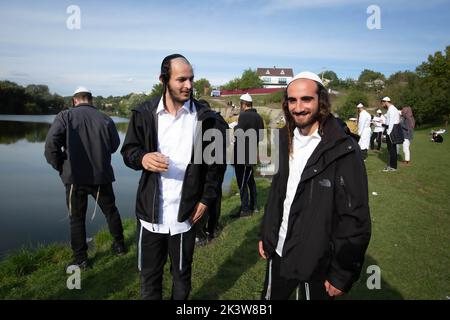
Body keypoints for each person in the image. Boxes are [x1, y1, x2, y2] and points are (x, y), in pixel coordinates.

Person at [259, 71, 371, 300]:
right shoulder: (284, 138)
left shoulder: (343, 148)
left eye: (306, 99)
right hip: (279, 249)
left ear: (321, 100)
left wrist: (343, 272)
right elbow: (278, 194)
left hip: (317, 258)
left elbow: (354, 215)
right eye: (292, 100)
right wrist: (266, 232)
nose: (298, 107)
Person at [120, 54, 224, 300]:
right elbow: (128, 152)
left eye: (191, 79)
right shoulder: (144, 112)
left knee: (181, 276)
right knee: (149, 279)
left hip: (185, 215)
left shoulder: (206, 119)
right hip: (150, 215)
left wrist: (207, 200)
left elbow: (216, 166)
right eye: (181, 80)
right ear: (163, 80)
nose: (188, 85)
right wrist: (142, 158)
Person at [44, 87, 126, 270]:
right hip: (102, 175)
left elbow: (51, 146)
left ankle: (81, 258)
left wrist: (61, 167)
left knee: (76, 218)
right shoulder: (105, 118)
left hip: (75, 178)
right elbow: (114, 145)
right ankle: (120, 246)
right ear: (91, 100)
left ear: (74, 101)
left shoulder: (65, 117)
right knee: (111, 211)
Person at [231, 93, 265, 218]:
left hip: (242, 155)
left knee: (242, 182)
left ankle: (245, 210)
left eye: (241, 104)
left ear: (243, 104)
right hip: (251, 153)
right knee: (250, 180)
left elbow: (238, 134)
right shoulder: (259, 117)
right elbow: (261, 137)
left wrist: (235, 128)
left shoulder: (243, 116)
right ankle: (254, 205)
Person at [381, 97, 401, 172]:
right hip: (391, 131)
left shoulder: (392, 109)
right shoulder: (391, 109)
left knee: (392, 150)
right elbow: (388, 122)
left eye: (383, 103)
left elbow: (391, 123)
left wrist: (388, 133)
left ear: (386, 102)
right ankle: (392, 166)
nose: (383, 105)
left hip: (392, 132)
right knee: (391, 150)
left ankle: (392, 167)